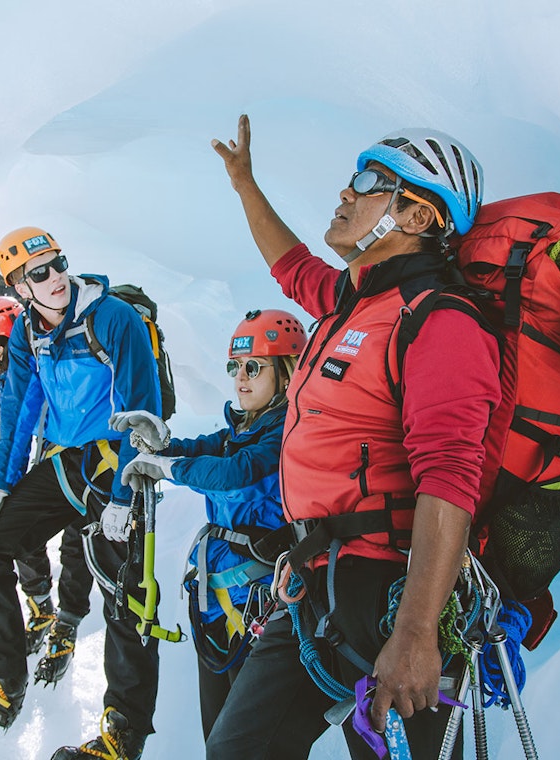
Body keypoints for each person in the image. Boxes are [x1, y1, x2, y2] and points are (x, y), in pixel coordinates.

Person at [203, 116, 501, 759]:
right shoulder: (353, 301)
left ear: (419, 217)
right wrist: (245, 185)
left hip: (393, 592)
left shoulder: (442, 320)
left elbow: (452, 474)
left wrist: (419, 632)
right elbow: (292, 268)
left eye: (370, 182)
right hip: (319, 579)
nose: (346, 192)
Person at [0, 226, 164, 760]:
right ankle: (1, 682)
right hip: (65, 464)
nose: (54, 277)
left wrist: (127, 496)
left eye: (57, 264)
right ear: (18, 285)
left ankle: (122, 738)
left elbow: (142, 409)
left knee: (125, 595)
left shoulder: (113, 318)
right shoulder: (28, 333)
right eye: (38, 272)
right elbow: (17, 411)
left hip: (115, 466)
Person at [116, 308, 304, 740]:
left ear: (286, 371)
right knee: (218, 738)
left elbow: (235, 473)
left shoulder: (287, 432)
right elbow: (206, 448)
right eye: (235, 367)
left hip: (263, 611)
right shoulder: (242, 429)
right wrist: (164, 444)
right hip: (219, 607)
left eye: (253, 367)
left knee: (246, 745)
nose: (241, 378)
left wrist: (169, 468)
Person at [0, 296, 93, 669]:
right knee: (49, 538)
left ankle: (60, 621)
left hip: (76, 462)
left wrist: (1, 484)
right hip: (67, 461)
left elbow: (18, 430)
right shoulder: (27, 368)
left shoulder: (36, 366)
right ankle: (50, 613)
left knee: (76, 544)